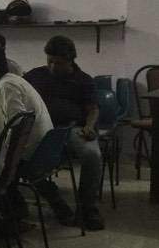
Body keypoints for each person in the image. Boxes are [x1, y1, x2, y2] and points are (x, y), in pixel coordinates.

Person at [0, 44, 75, 226]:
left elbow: (17, 126)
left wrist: (5, 164)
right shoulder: (13, 80)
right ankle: (20, 210)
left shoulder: (6, 86)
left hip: (32, 152)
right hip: (44, 149)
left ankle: (9, 218)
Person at [24, 36, 104, 230]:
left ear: (70, 60)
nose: (52, 66)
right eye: (49, 61)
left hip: (74, 128)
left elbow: (93, 109)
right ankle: (57, 203)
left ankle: (87, 208)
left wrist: (89, 126)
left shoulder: (83, 80)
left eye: (58, 63)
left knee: (92, 155)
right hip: (44, 129)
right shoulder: (35, 75)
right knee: (24, 162)